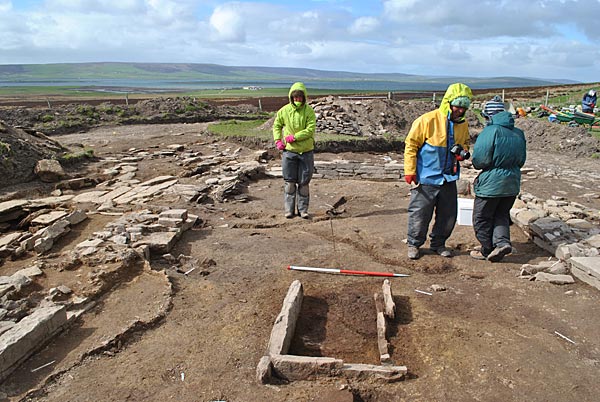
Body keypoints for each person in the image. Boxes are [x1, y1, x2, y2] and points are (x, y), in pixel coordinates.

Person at [403, 83, 473, 259]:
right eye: (457, 106)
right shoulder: (427, 120)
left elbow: (465, 143)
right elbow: (411, 145)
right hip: (426, 176)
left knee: (448, 215)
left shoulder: (462, 125)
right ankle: (414, 244)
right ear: (448, 103)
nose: (460, 111)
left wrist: (461, 152)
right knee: (420, 213)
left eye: (464, 108)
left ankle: (438, 244)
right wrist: (410, 170)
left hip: (448, 178)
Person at [469, 107, 526, 262]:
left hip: (491, 183)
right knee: (501, 214)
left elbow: (480, 160)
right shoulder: (519, 133)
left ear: (490, 115)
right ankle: (502, 243)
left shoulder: (490, 131)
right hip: (512, 182)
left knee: (482, 217)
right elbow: (521, 160)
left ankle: (487, 249)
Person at [273, 82, 316, 219]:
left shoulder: (309, 111)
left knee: (304, 183)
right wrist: (278, 140)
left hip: (306, 151)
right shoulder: (284, 111)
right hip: (289, 152)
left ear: (304, 97)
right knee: (289, 182)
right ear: (291, 98)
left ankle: (303, 210)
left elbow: (310, 130)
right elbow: (277, 125)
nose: (298, 100)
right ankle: (289, 210)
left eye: (300, 98)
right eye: (295, 98)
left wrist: (295, 137)